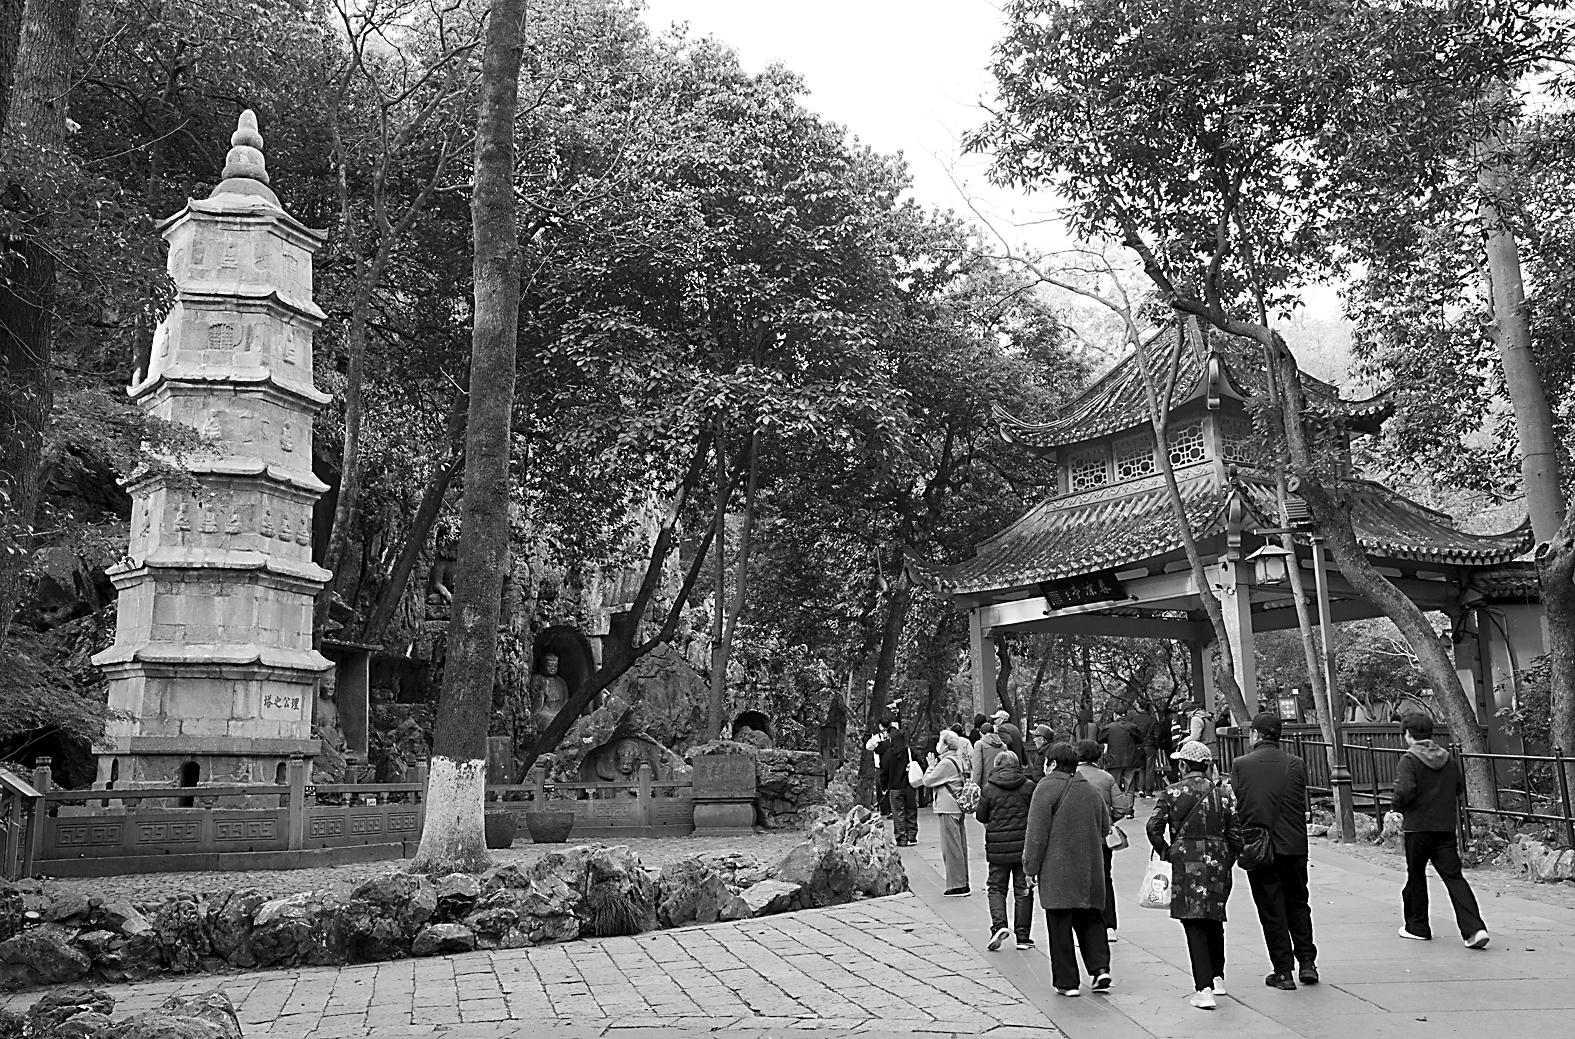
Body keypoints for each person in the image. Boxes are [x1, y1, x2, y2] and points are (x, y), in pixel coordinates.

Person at [1148, 740, 1244, 1011]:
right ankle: (1217, 976)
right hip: (1218, 861)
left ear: (1182, 765)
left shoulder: (1172, 793)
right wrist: (1228, 858)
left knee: (1194, 922)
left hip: (1185, 860)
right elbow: (1236, 836)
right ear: (1207, 765)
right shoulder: (1223, 794)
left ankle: (1203, 988)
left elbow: (1153, 826)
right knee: (1214, 917)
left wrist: (1166, 851)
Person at [1232, 712, 1317, 989]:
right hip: (1294, 844)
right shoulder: (1296, 764)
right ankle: (1307, 962)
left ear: (1255, 735)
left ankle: (1283, 970)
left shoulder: (1241, 765)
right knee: (1298, 904)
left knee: (1271, 909)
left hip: (1261, 846)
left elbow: (1241, 803)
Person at [1023, 742, 1113, 997]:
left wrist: (1030, 867)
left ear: (1052, 763)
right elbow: (1105, 827)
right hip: (1089, 869)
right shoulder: (1090, 790)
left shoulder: (1046, 788)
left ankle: (1067, 981)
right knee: (1091, 919)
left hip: (1057, 870)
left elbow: (1036, 834)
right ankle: (1100, 968)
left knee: (1060, 924)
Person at [1392, 712, 1489, 948]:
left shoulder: (1409, 759)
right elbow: (1459, 786)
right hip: (1444, 827)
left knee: (1416, 875)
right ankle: (1474, 929)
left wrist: (1396, 807)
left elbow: (1404, 790)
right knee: (1454, 877)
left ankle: (1418, 926)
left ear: (1408, 734)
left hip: (1417, 827)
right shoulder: (1447, 759)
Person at [976, 750, 1037, 951]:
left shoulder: (989, 789)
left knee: (996, 887)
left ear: (996, 765)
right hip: (1023, 847)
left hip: (998, 847)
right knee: (1023, 888)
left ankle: (999, 925)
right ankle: (1023, 936)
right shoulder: (1029, 787)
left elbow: (981, 816)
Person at [1076, 738, 1122, 944]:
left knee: (1079, 882)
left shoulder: (1071, 777)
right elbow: (1122, 807)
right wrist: (1109, 819)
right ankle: (1109, 925)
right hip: (1102, 838)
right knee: (1104, 879)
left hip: (1075, 838)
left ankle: (1083, 927)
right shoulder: (1106, 778)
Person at [924, 730, 972, 895]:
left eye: (940, 741)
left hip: (948, 807)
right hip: (957, 806)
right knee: (959, 845)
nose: (938, 744)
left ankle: (957, 884)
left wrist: (931, 766)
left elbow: (928, 780)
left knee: (951, 847)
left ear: (946, 745)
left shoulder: (945, 763)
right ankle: (963, 880)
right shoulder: (957, 759)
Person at [878, 719, 918, 847]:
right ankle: (912, 835)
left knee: (898, 812)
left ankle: (901, 838)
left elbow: (883, 771)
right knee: (911, 810)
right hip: (910, 786)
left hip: (895, 787)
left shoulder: (889, 754)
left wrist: (884, 786)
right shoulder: (910, 752)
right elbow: (920, 764)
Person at [1101, 711, 1140, 793]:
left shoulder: (1109, 728)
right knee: (1129, 786)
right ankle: (1129, 801)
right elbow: (1140, 740)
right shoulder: (1133, 727)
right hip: (1130, 760)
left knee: (1114, 787)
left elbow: (1100, 739)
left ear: (1115, 715)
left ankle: (1117, 801)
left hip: (1114, 760)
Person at [972, 721, 1007, 787]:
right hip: (1001, 783)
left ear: (981, 733)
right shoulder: (1003, 746)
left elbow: (977, 768)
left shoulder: (979, 744)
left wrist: (975, 785)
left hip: (985, 784)